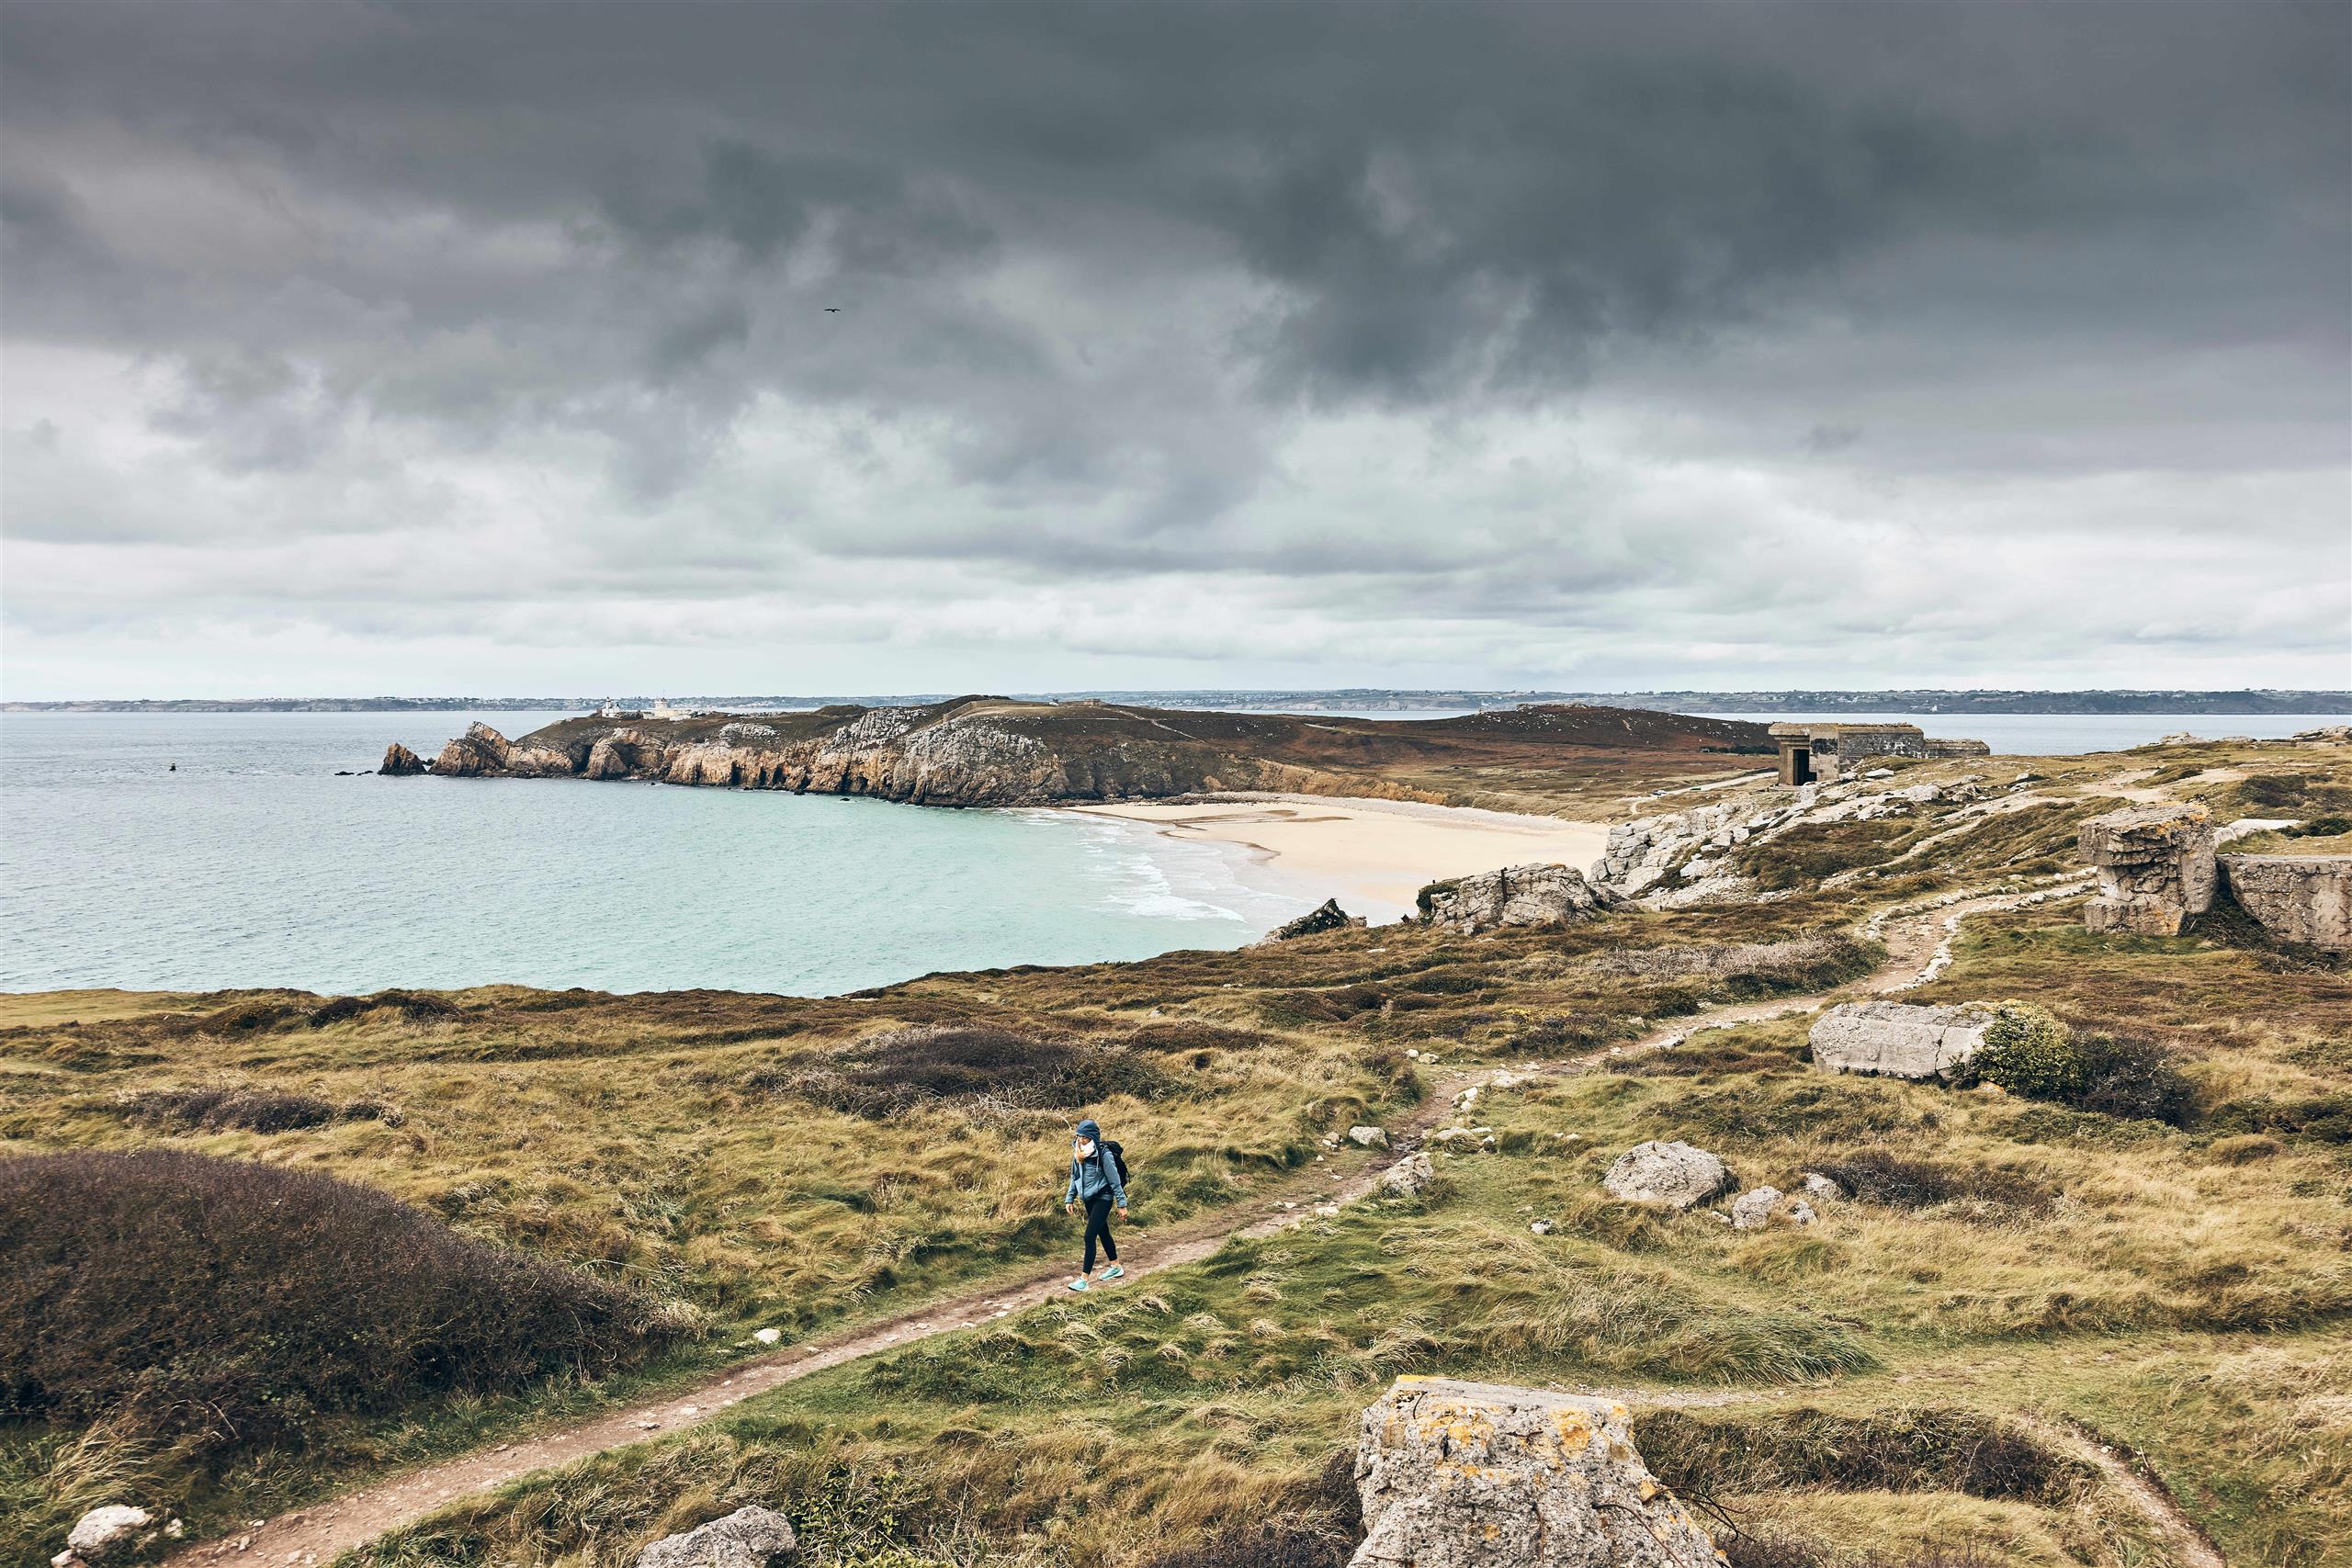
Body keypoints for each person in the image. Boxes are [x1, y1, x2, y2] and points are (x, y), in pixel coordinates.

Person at [1062, 1116, 1127, 1292]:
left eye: (1085, 1137)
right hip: (1089, 1199)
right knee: (1103, 1232)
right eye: (1079, 1136)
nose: (1081, 1140)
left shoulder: (1103, 1154)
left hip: (1103, 1197)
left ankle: (1083, 1280)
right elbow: (1074, 1177)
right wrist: (1070, 1198)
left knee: (1089, 1236)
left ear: (1093, 1138)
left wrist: (1122, 1204)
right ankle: (1116, 1267)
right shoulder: (1078, 1152)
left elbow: (1115, 1182)